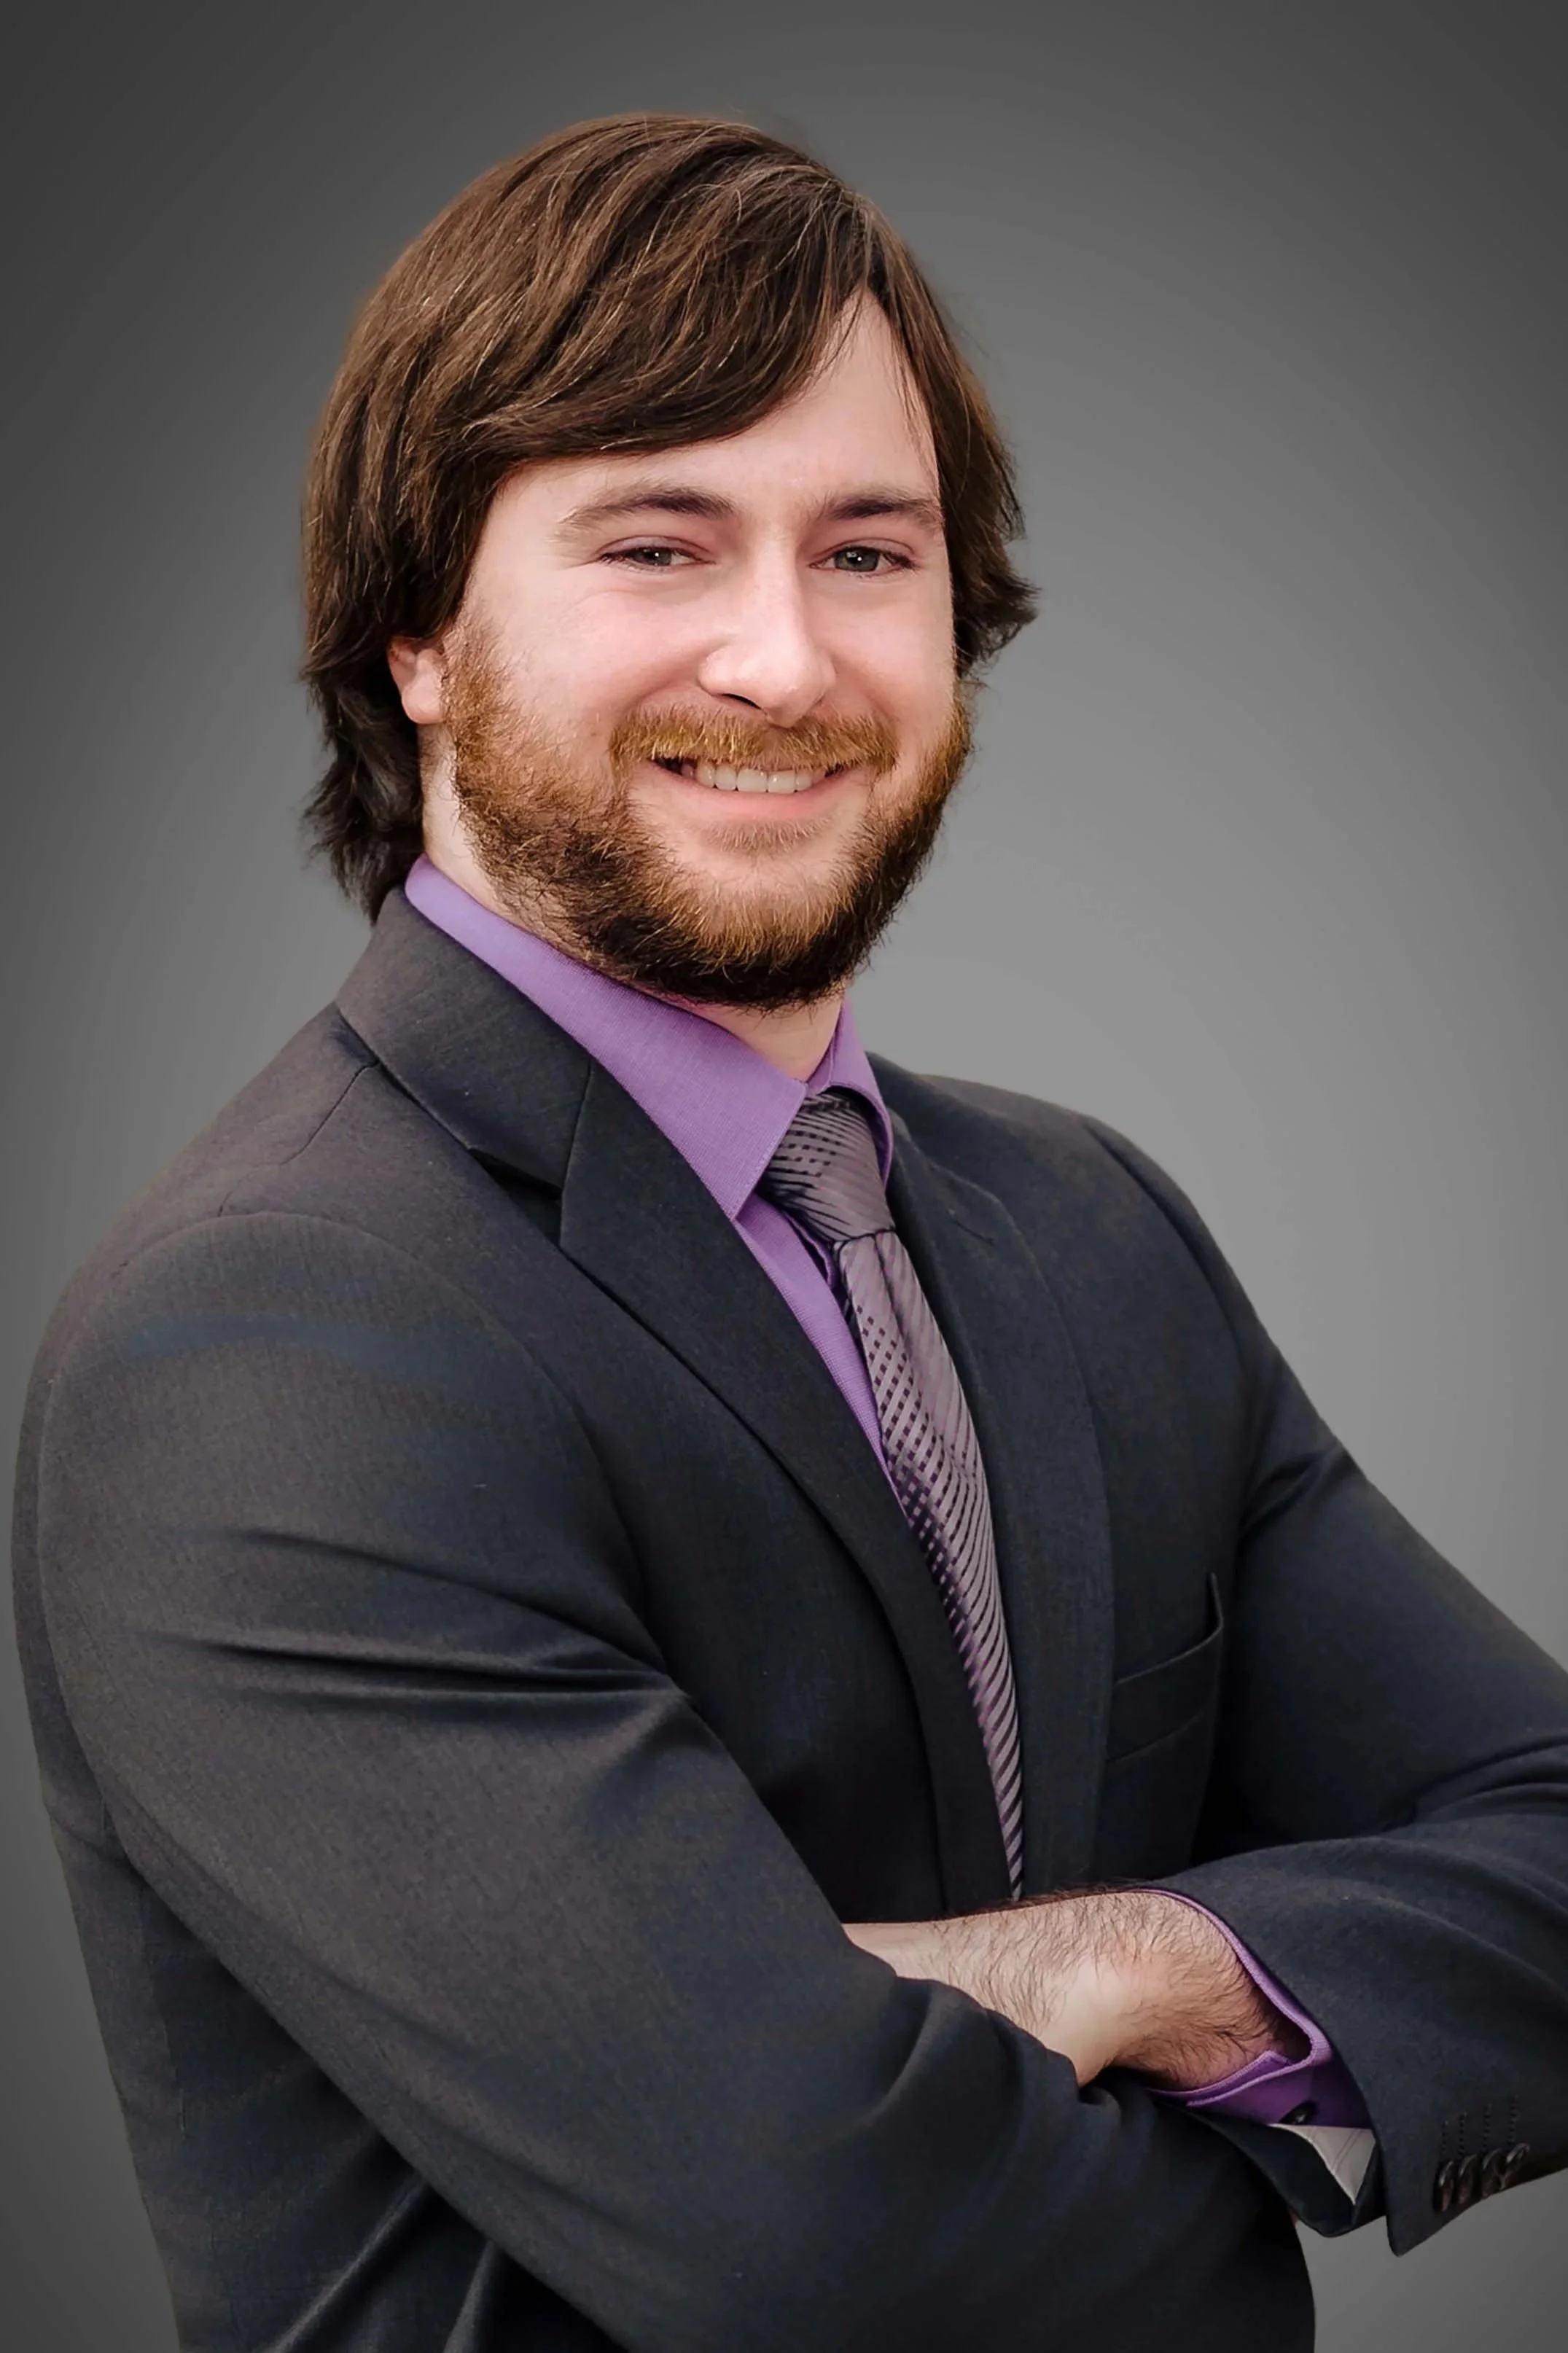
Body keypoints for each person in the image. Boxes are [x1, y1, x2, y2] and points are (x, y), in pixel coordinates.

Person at [14, 112, 1568, 2353]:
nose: (783, 657)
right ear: (419, 634)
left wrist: (1131, 1958)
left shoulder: (1094, 1231)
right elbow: (813, 2231)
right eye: (658, 543)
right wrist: (1240, 2211)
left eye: (865, 551)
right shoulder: (266, 1338)